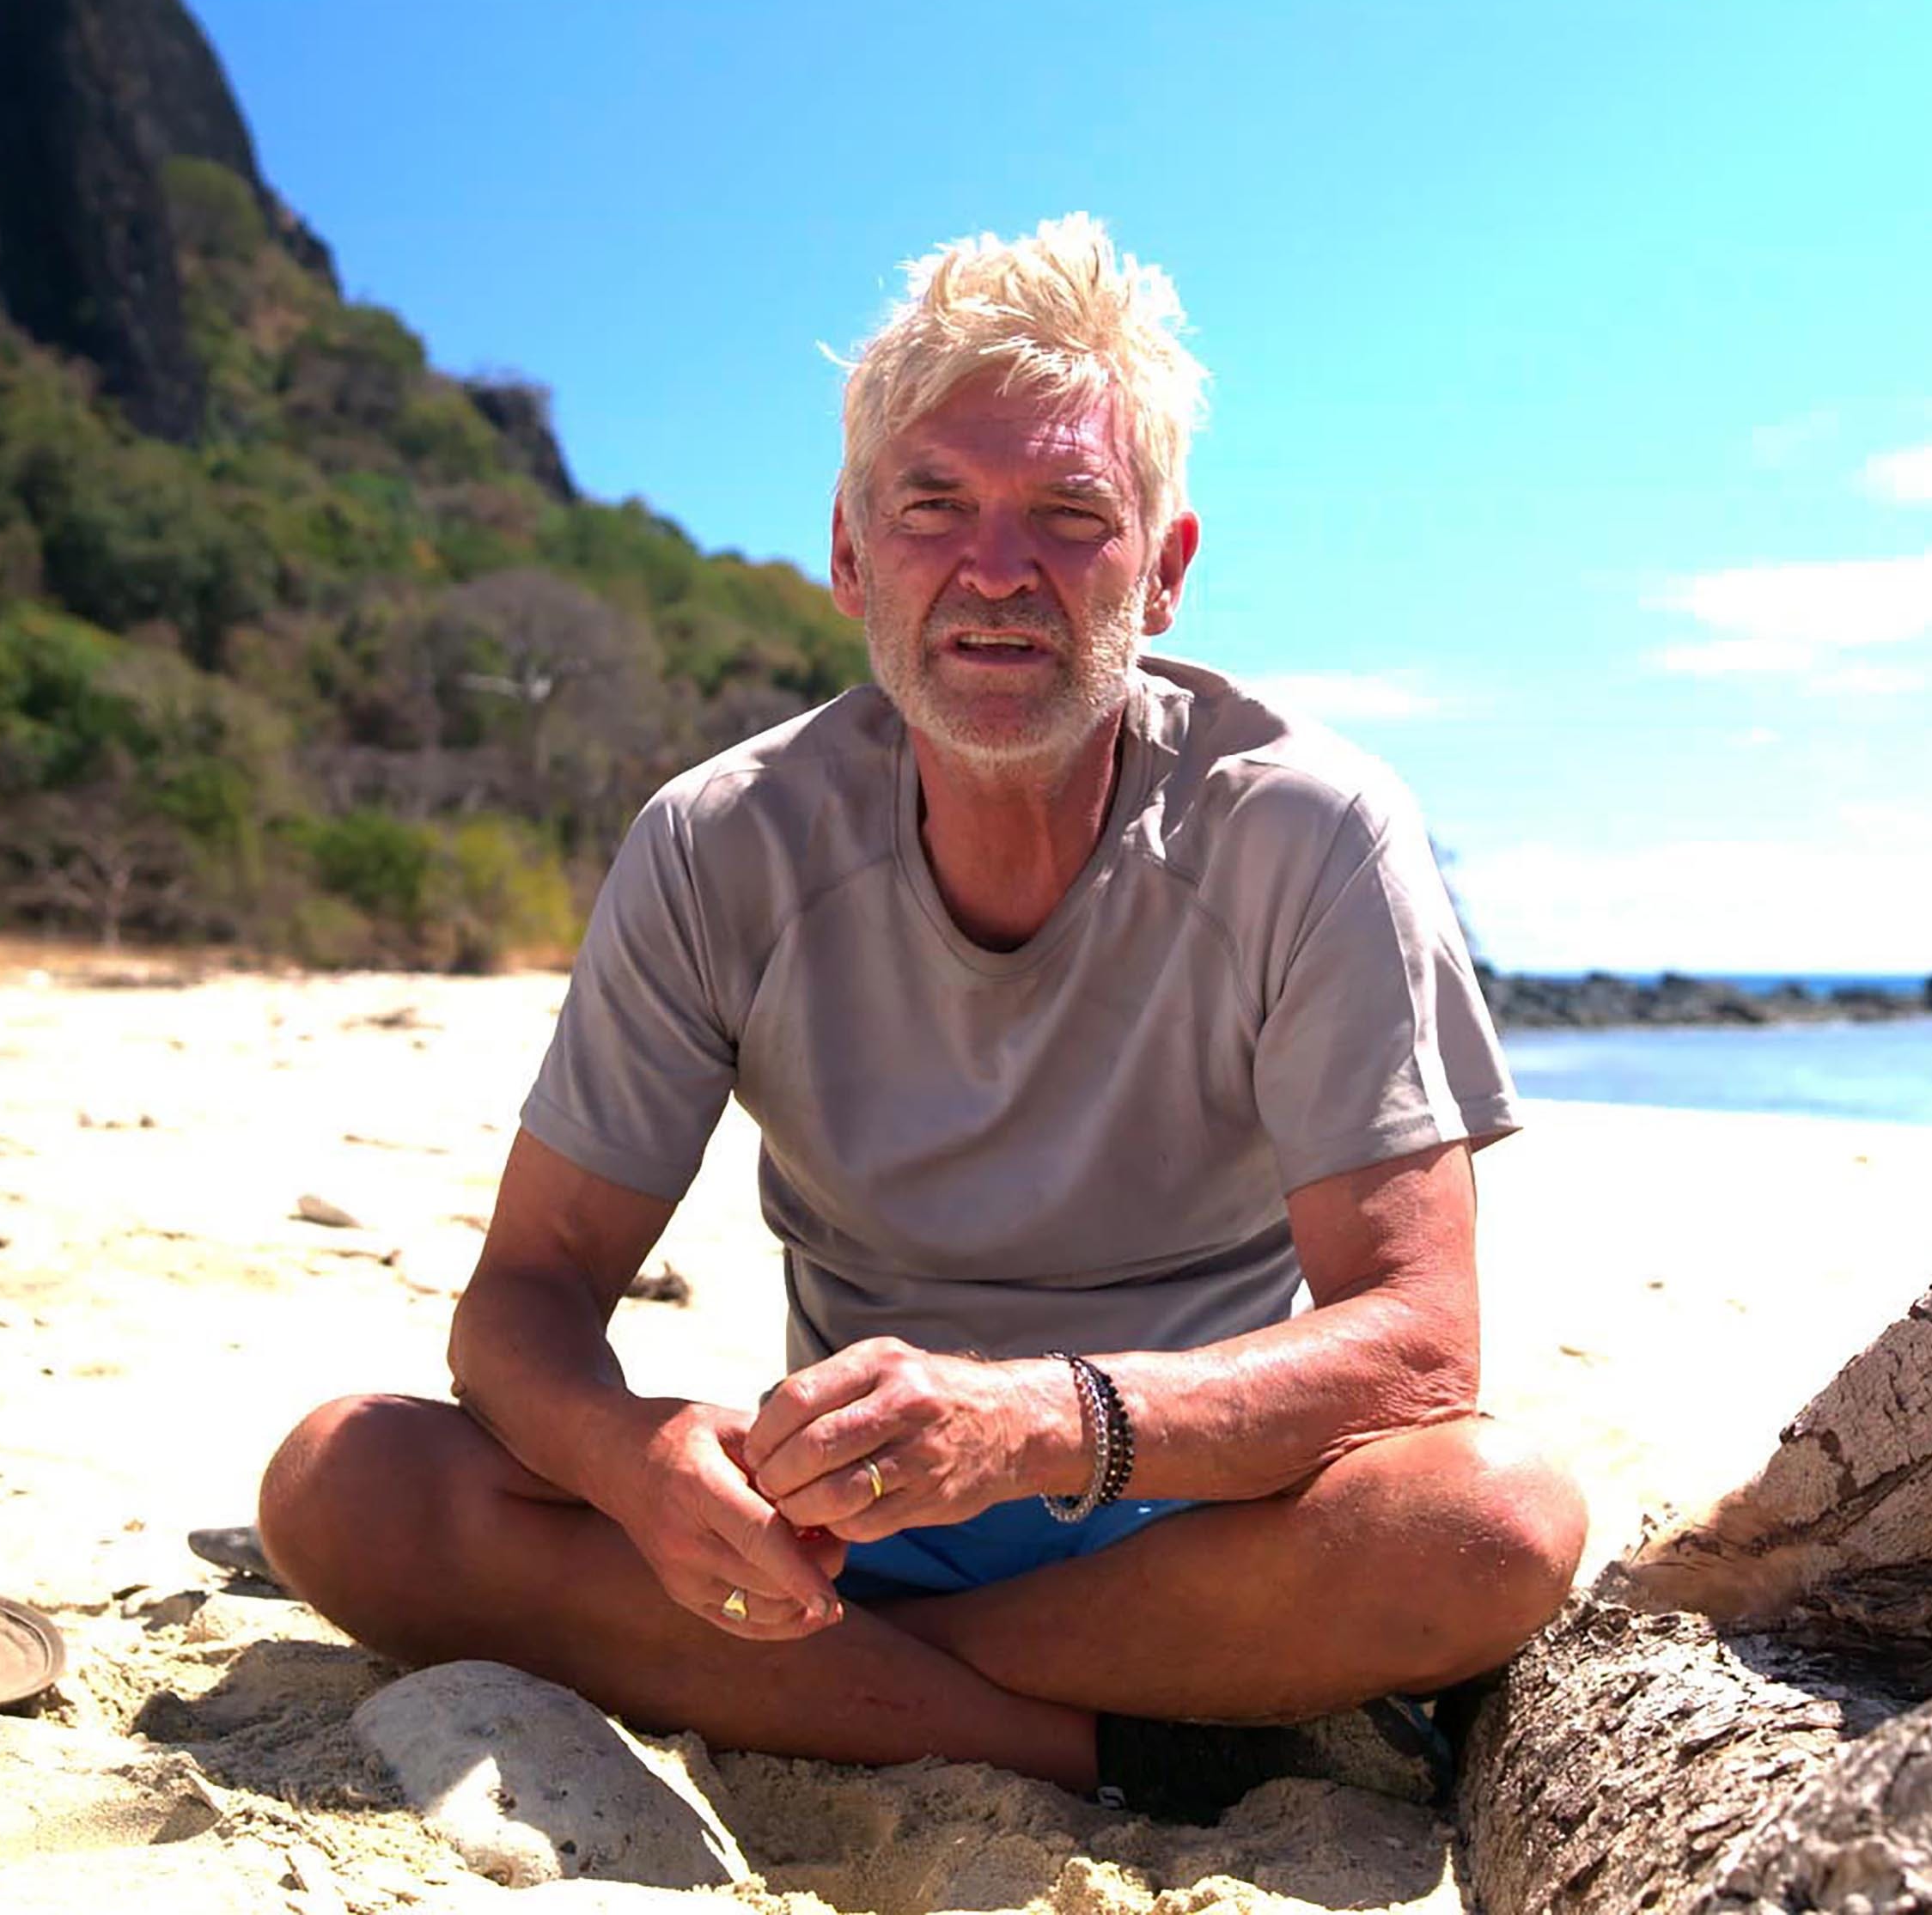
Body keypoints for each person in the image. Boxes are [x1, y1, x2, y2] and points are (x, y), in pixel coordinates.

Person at [258, 215, 1586, 1822]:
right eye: (934, 506)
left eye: (1072, 516)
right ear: (849, 553)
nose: (998, 569)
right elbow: (523, 1301)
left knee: (1493, 1517)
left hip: (1196, 1501)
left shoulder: (1306, 828)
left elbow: (1420, 1341)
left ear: (1163, 569)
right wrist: (632, 1460)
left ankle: (868, 1684)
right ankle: (1108, 1738)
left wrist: (1040, 1421)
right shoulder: (722, 841)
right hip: (847, 1522)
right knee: (343, 1482)